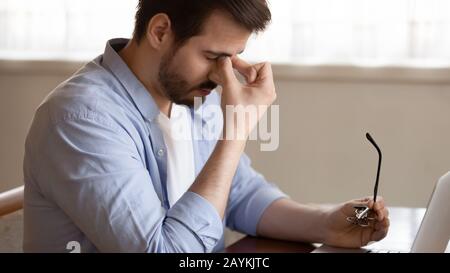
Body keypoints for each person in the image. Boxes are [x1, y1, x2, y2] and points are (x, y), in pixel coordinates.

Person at [23, 0, 389, 253]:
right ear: (161, 30)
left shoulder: (193, 94)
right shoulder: (81, 119)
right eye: (213, 57)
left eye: (232, 58)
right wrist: (236, 132)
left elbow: (239, 194)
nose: (221, 74)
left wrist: (327, 222)